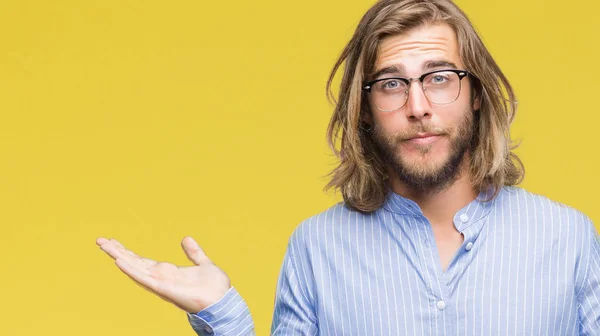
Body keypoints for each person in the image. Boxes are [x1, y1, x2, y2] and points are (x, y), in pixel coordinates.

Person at [97, 0, 600, 334]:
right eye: (391, 83)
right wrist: (222, 316)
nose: (418, 104)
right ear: (363, 109)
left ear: (475, 96)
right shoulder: (317, 248)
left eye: (439, 77)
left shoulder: (567, 237)